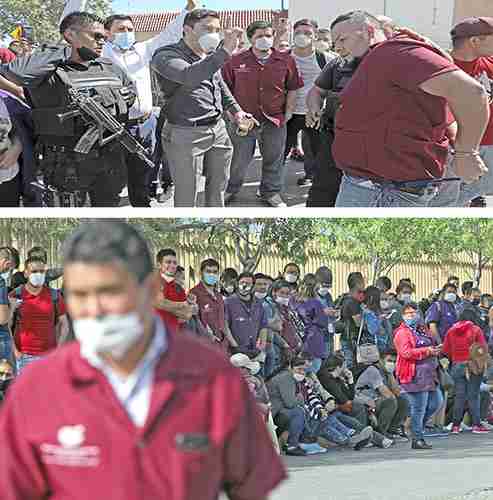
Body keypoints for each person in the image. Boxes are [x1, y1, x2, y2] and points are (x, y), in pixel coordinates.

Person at [0, 221, 286, 499]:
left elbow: (251, 487)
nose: (95, 308)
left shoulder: (215, 378)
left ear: (148, 290)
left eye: (111, 291)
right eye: (80, 294)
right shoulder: (36, 390)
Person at [331, 11, 490, 207]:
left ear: (369, 30)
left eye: (342, 38)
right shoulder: (379, 58)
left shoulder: (395, 52)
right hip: (377, 186)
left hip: (384, 192)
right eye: (334, 43)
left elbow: (471, 93)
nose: (337, 47)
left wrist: (467, 153)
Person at [0, 12, 139, 207]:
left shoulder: (109, 67)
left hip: (109, 161)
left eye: (104, 38)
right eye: (95, 36)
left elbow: (130, 92)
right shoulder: (48, 70)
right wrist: (66, 50)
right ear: (71, 35)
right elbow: (13, 72)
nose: (102, 42)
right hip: (67, 165)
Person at [151, 9, 251, 207]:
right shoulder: (166, 55)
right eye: (207, 28)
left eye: (216, 29)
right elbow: (189, 75)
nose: (213, 34)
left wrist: (237, 111)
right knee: (187, 195)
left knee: (218, 188)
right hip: (186, 133)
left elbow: (219, 86)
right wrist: (225, 52)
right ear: (187, 29)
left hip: (218, 129)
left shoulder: (210, 56)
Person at [222, 20, 304, 208]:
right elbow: (224, 89)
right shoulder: (236, 61)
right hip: (243, 121)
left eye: (268, 35)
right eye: (259, 36)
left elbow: (293, 88)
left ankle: (271, 192)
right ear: (250, 38)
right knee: (238, 160)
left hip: (274, 119)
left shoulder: (286, 60)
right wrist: (231, 115)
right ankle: (230, 189)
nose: (264, 39)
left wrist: (289, 112)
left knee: (273, 159)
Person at [449, 17, 493, 207]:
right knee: (449, 198)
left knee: (477, 189)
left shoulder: (490, 62)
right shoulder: (443, 66)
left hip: (490, 144)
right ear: (475, 41)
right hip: (459, 148)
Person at [282, 19, 330, 187]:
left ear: (315, 36)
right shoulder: (283, 57)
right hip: (288, 113)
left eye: (308, 33)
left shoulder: (325, 58)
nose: (302, 36)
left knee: (314, 151)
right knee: (281, 151)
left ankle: (312, 177)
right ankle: (270, 185)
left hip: (314, 113)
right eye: (298, 33)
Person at [394, 303, 444, 450]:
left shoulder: (422, 330)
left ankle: (416, 429)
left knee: (436, 402)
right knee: (419, 408)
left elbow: (430, 344)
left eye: (414, 312)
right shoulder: (402, 333)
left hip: (429, 374)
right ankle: (417, 438)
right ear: (403, 316)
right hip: (414, 374)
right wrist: (427, 351)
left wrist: (435, 349)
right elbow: (406, 353)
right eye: (408, 313)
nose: (412, 315)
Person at [317, 354, 393, 448]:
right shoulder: (326, 378)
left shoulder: (337, 379)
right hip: (333, 410)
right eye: (345, 365)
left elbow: (350, 396)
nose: (347, 368)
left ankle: (377, 439)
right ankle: (376, 439)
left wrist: (350, 380)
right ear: (339, 367)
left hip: (339, 409)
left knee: (355, 420)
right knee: (356, 414)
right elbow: (343, 399)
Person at [8, 257, 67, 373]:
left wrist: (58, 350)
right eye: (34, 272)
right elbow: (7, 325)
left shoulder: (54, 295)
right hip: (23, 357)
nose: (38, 275)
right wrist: (15, 352)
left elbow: (64, 324)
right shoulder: (16, 295)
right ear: (26, 273)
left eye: (42, 271)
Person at [442, 309, 490, 434]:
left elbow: (446, 350)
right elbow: (482, 348)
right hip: (473, 365)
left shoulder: (451, 330)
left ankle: (456, 426)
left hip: (457, 365)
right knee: (473, 395)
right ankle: (476, 425)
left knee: (460, 396)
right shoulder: (476, 330)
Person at [355, 349, 410, 440]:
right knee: (391, 401)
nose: (391, 364)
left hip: (376, 401)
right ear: (381, 360)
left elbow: (397, 393)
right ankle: (381, 432)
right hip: (366, 403)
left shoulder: (387, 372)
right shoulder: (373, 370)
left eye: (394, 361)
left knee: (403, 401)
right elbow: (387, 394)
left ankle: (392, 430)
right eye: (389, 361)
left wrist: (390, 374)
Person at [189, 258, 236, 353]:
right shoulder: (194, 294)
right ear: (201, 273)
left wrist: (234, 345)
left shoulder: (219, 296)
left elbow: (224, 323)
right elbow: (194, 324)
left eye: (215, 272)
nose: (212, 274)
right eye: (208, 271)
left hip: (223, 347)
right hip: (205, 348)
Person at [266, 356, 308, 456]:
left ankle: (292, 443)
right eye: (299, 369)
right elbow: (290, 403)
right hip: (273, 413)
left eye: (304, 370)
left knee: (300, 410)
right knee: (298, 412)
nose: (301, 372)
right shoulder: (286, 378)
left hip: (276, 411)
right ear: (290, 368)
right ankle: (292, 445)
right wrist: (300, 398)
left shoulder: (289, 377)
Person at [224, 272, 268, 358]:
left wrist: (260, 347)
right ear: (237, 284)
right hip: (236, 351)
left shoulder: (258, 304)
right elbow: (225, 327)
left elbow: (263, 326)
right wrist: (235, 346)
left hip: (255, 350)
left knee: (259, 363)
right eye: (242, 283)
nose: (244, 285)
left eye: (248, 283)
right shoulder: (228, 302)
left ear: (253, 286)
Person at [153, 249, 192, 334]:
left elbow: (187, 314)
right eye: (168, 262)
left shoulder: (178, 288)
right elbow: (159, 303)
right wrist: (182, 305)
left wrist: (166, 306)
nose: (172, 265)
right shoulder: (153, 281)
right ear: (159, 265)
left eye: (174, 263)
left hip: (175, 336)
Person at [339, 274, 365, 370]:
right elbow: (358, 323)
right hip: (351, 339)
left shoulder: (346, 299)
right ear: (358, 284)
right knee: (352, 366)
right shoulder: (352, 302)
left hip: (347, 337)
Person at [0, 248, 15, 367]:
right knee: (5, 382)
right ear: (5, 261)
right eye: (9, 265)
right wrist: (13, 306)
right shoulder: (1, 282)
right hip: (1, 340)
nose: (9, 269)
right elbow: (3, 318)